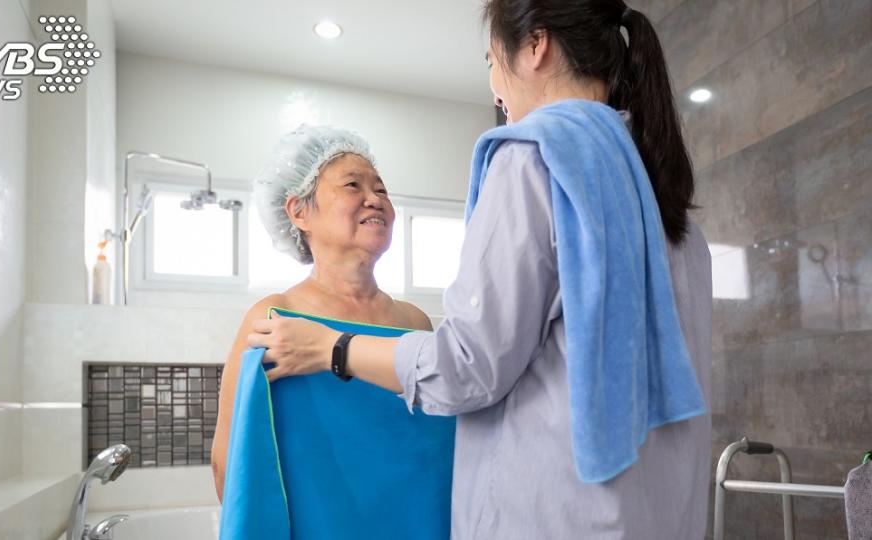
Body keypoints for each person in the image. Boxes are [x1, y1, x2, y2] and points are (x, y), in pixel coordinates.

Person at [245, 1, 714, 538]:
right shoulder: (664, 201)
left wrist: (333, 349)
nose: (493, 86)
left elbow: (465, 367)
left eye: (491, 59)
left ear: (536, 45)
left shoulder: (534, 160)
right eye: (353, 186)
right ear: (298, 213)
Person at [210, 125, 432, 500]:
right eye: (352, 186)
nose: (375, 199)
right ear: (299, 211)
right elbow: (230, 461)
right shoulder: (274, 317)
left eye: (381, 189)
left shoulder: (414, 322)